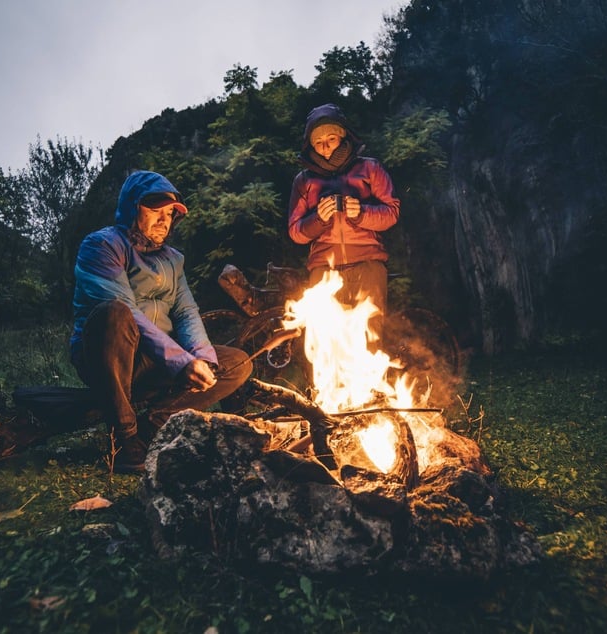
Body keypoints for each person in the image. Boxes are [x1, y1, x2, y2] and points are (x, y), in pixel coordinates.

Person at [69, 170, 251, 473]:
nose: (165, 220)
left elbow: (185, 312)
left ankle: (153, 424)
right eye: (156, 210)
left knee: (238, 363)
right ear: (133, 206)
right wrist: (181, 362)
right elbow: (127, 310)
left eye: (170, 214)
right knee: (114, 313)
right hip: (110, 358)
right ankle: (125, 439)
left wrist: (204, 359)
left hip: (158, 363)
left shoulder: (173, 259)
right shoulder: (101, 246)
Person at [287, 103, 400, 347]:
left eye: (331, 138)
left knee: (370, 338)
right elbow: (295, 231)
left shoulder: (369, 168)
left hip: (368, 264)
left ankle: (370, 386)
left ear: (343, 137)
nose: (325, 146)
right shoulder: (304, 180)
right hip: (324, 269)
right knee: (327, 343)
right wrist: (318, 219)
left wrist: (361, 212)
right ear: (310, 145)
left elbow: (391, 213)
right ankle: (328, 387)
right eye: (318, 142)